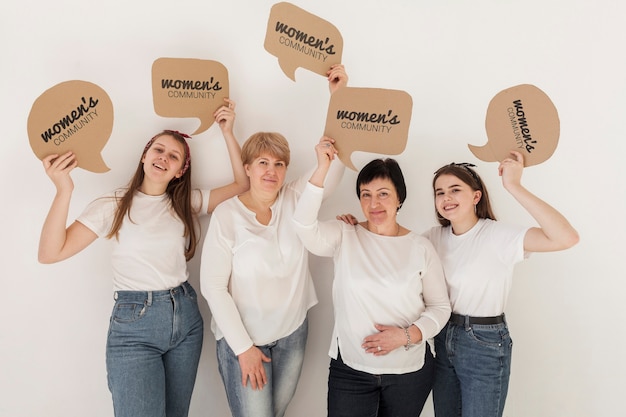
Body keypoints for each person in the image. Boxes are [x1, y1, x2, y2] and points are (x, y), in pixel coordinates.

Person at [37, 99, 249, 417]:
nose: (163, 157)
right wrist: (63, 190)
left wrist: (228, 132)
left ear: (181, 170)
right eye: (158, 150)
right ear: (144, 156)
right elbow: (50, 253)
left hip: (186, 319)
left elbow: (243, 186)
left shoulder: (184, 203)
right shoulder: (114, 204)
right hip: (135, 327)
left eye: (173, 156)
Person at [200, 65, 348, 417]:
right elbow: (213, 287)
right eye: (263, 162)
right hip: (245, 340)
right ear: (247, 168)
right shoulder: (227, 215)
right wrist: (243, 348)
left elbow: (332, 171)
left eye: (280, 164)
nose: (272, 170)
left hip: (292, 334)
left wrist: (339, 97)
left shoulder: (297, 198)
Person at [293, 148, 451, 417]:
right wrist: (322, 167)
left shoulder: (420, 248)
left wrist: (404, 336)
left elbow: (440, 307)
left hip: (408, 373)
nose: (374, 203)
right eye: (366, 195)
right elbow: (303, 226)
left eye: (383, 194)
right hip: (351, 371)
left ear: (399, 198)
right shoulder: (345, 233)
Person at [424, 152, 579, 417]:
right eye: (440, 192)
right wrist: (355, 226)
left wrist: (514, 185)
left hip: (482, 342)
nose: (446, 198)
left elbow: (566, 238)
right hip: (442, 336)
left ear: (476, 196)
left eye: (455, 189)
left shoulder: (497, 235)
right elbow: (396, 255)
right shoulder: (432, 238)